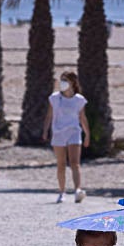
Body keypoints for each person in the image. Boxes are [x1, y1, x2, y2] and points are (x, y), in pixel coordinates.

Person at [43, 71, 91, 204]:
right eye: (61, 80)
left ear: (72, 83)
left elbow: (82, 117)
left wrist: (87, 134)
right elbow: (49, 115)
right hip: (58, 133)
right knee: (61, 164)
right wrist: (45, 131)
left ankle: (77, 190)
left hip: (74, 131)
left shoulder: (79, 100)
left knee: (75, 163)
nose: (62, 83)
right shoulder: (54, 98)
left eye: (65, 80)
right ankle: (62, 191)